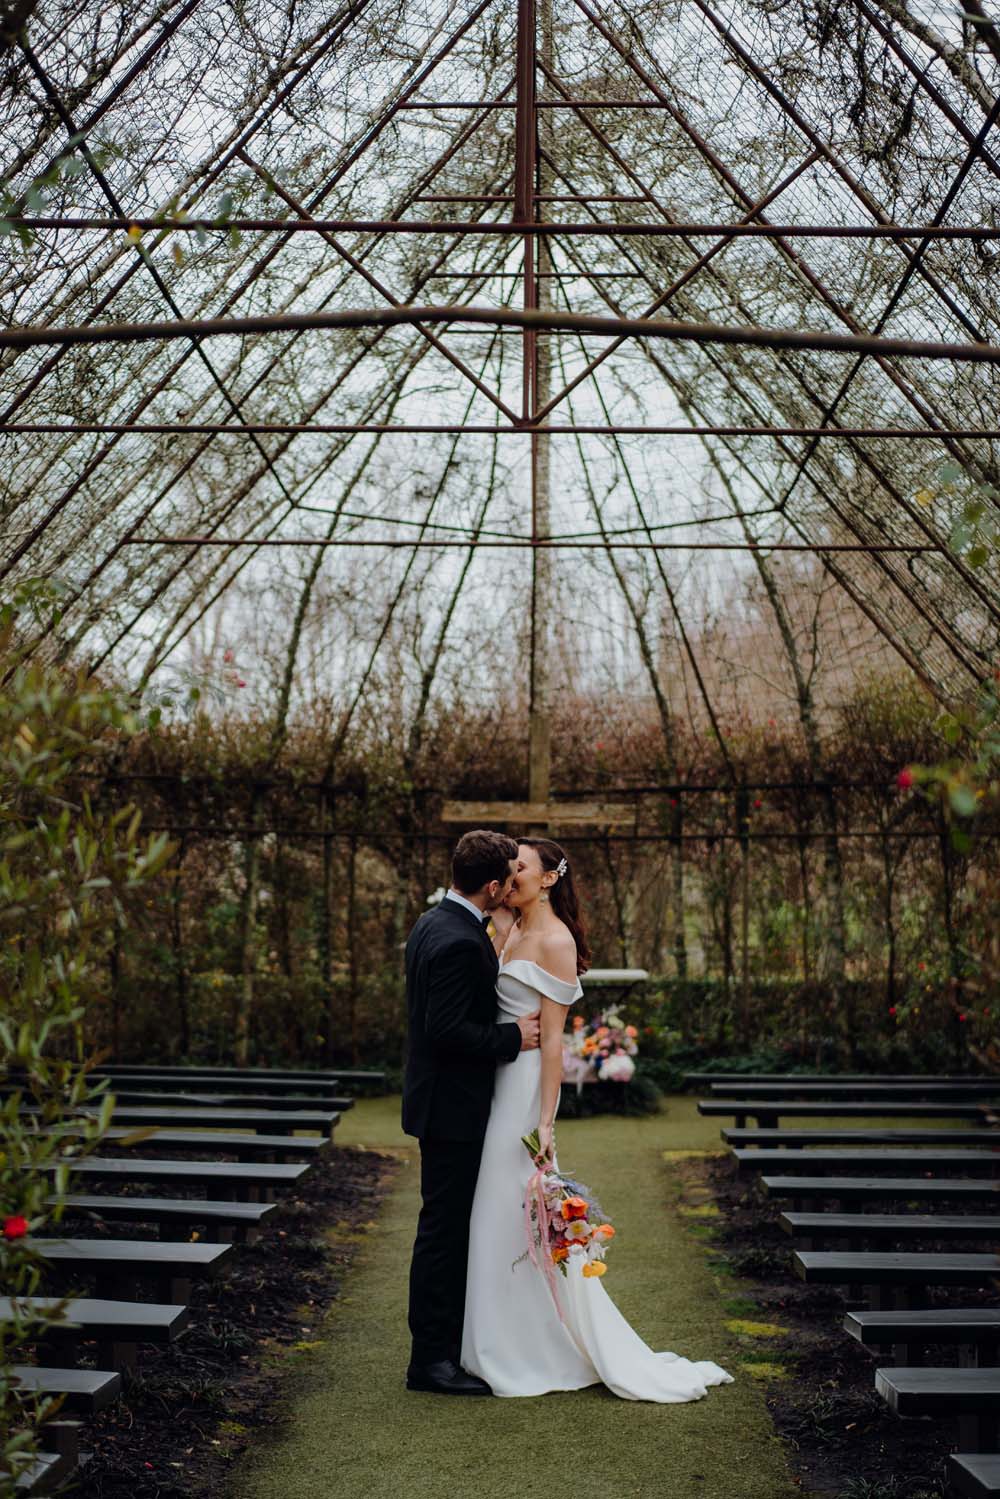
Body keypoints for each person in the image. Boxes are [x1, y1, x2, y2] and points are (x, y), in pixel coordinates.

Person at [460, 837, 734, 1401]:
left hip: (525, 1092)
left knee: (514, 1209)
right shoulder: (507, 925)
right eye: (509, 867)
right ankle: (491, 1340)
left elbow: (556, 1042)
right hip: (495, 1082)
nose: (510, 874)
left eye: (521, 867)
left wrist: (547, 1122)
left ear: (550, 878)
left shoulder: (556, 940)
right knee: (490, 1214)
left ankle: (528, 1349)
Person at [402, 829, 541, 1396]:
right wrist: (513, 1037)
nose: (513, 886)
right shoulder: (458, 939)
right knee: (443, 1233)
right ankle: (430, 1362)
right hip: (452, 1110)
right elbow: (447, 1031)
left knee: (444, 1228)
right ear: (491, 885)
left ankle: (443, 1346)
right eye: (509, 879)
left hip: (442, 1103)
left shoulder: (435, 920)